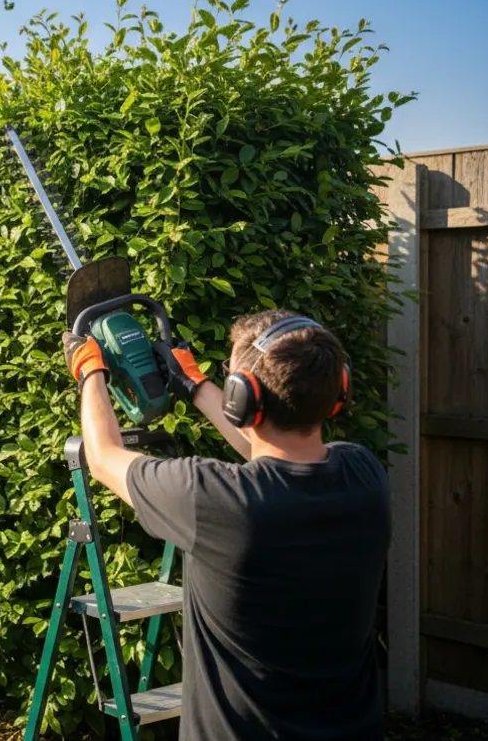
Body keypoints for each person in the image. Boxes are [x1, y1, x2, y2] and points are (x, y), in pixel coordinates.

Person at [61, 308, 390, 740]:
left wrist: (89, 369)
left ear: (244, 398)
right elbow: (273, 455)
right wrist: (196, 386)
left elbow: (103, 457)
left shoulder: (212, 500)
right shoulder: (365, 477)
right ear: (337, 392)